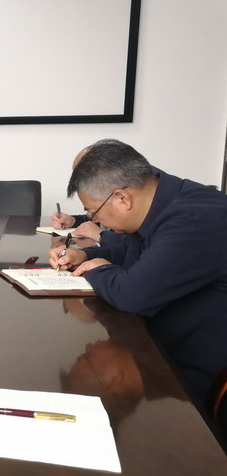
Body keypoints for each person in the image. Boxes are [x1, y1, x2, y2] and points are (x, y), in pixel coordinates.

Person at [49, 139, 227, 416]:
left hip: (194, 380)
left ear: (122, 198)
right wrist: (84, 256)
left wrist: (97, 269)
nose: (95, 221)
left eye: (93, 212)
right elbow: (131, 249)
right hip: (159, 348)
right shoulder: (161, 200)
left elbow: (132, 295)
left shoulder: (195, 218)